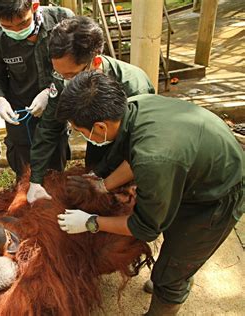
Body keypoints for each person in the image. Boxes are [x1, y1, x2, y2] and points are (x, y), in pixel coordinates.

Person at [56, 72, 244, 315]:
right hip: (193, 167)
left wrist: (91, 222)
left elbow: (145, 227)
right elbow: (134, 157)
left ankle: (172, 290)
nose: (79, 135)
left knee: (170, 272)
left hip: (218, 195)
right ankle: (178, 274)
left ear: (100, 126)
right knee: (172, 231)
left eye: (78, 130)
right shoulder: (135, 106)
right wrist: (102, 185)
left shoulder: (155, 159)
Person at [28, 16, 155, 203]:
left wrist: (102, 178)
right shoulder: (64, 79)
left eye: (70, 74)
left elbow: (140, 149)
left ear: (94, 63)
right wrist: (35, 180)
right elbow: (49, 127)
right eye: (58, 73)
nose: (64, 79)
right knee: (92, 198)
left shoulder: (134, 86)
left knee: (126, 204)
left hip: (130, 159)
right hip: (98, 146)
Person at [0, 0, 74, 179]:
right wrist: (0, 99)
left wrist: (51, 92)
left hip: (57, 107)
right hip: (20, 113)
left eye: (22, 23)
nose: (16, 31)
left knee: (55, 163)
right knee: (24, 166)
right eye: (7, 26)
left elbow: (79, 66)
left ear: (34, 6)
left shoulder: (64, 21)